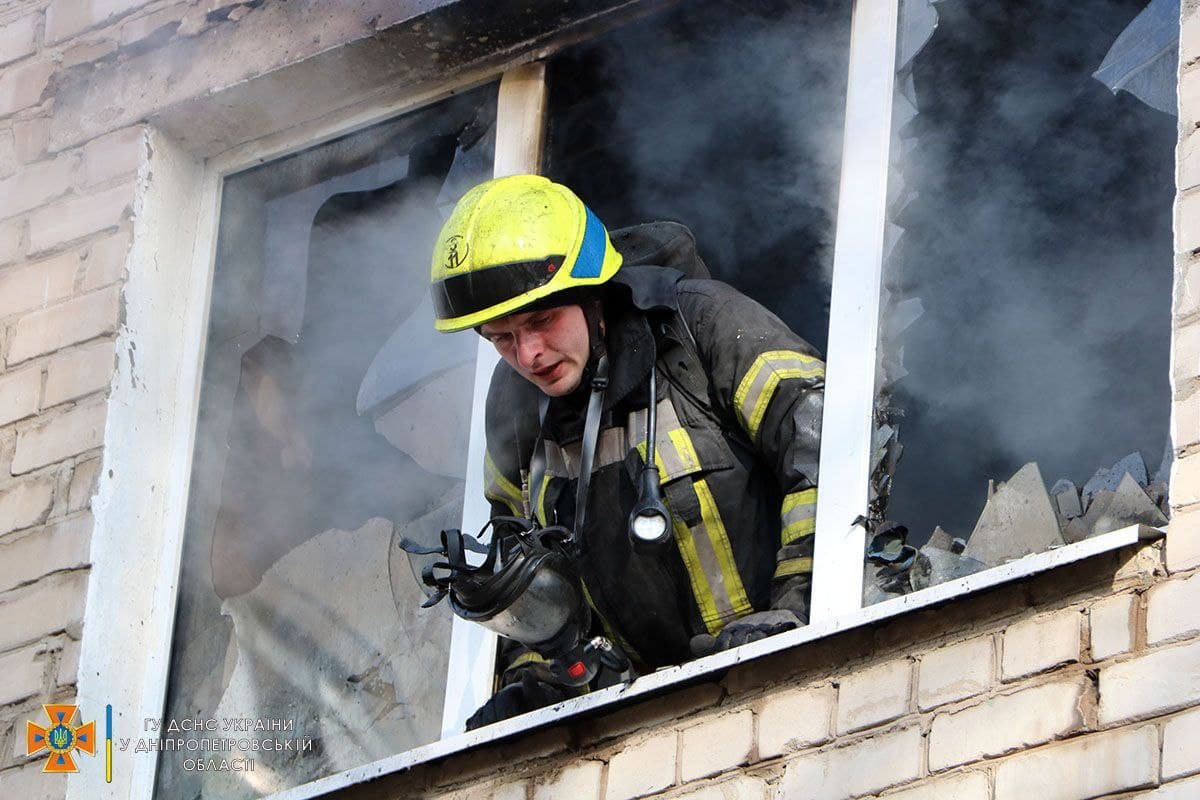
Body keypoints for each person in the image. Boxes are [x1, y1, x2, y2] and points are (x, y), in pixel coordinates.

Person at [430, 175, 823, 727]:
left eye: (541, 320)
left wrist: (796, 608)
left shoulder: (702, 326)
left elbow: (825, 450)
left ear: (593, 293)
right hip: (642, 731)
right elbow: (514, 564)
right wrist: (542, 679)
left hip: (781, 686)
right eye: (501, 337)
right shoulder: (513, 407)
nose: (529, 354)